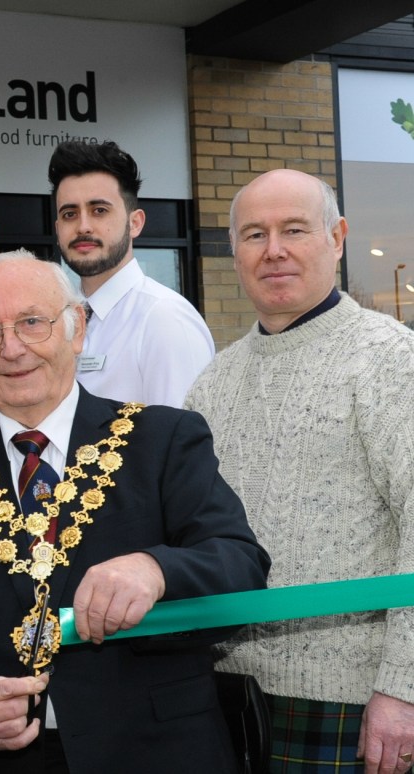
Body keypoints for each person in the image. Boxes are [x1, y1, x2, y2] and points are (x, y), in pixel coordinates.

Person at [0, 250, 270, 773]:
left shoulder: (161, 439)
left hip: (157, 753)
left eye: (31, 323)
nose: (12, 348)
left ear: (77, 329)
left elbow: (241, 564)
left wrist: (156, 569)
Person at [184, 168, 414, 774]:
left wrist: (404, 688)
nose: (274, 250)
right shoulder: (213, 383)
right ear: (233, 250)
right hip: (224, 693)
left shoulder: (391, 361)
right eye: (254, 234)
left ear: (337, 238)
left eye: (294, 229)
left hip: (351, 702)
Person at [49, 140, 214, 406]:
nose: (83, 226)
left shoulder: (165, 320)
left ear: (134, 223)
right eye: (70, 214)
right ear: (57, 229)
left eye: (99, 210)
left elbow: (185, 442)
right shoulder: (60, 317)